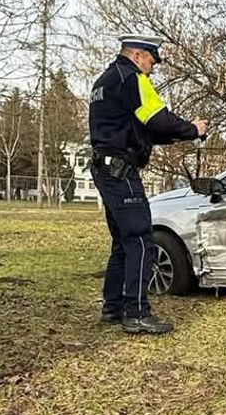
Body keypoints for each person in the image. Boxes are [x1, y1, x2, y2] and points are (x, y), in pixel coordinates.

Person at [87, 34, 206, 335]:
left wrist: (181, 135)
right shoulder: (131, 79)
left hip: (106, 169)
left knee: (124, 242)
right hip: (121, 171)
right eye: (151, 62)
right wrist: (193, 129)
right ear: (138, 55)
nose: (152, 69)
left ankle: (113, 308)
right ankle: (137, 313)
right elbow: (157, 119)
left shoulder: (104, 81)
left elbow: (141, 127)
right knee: (141, 240)